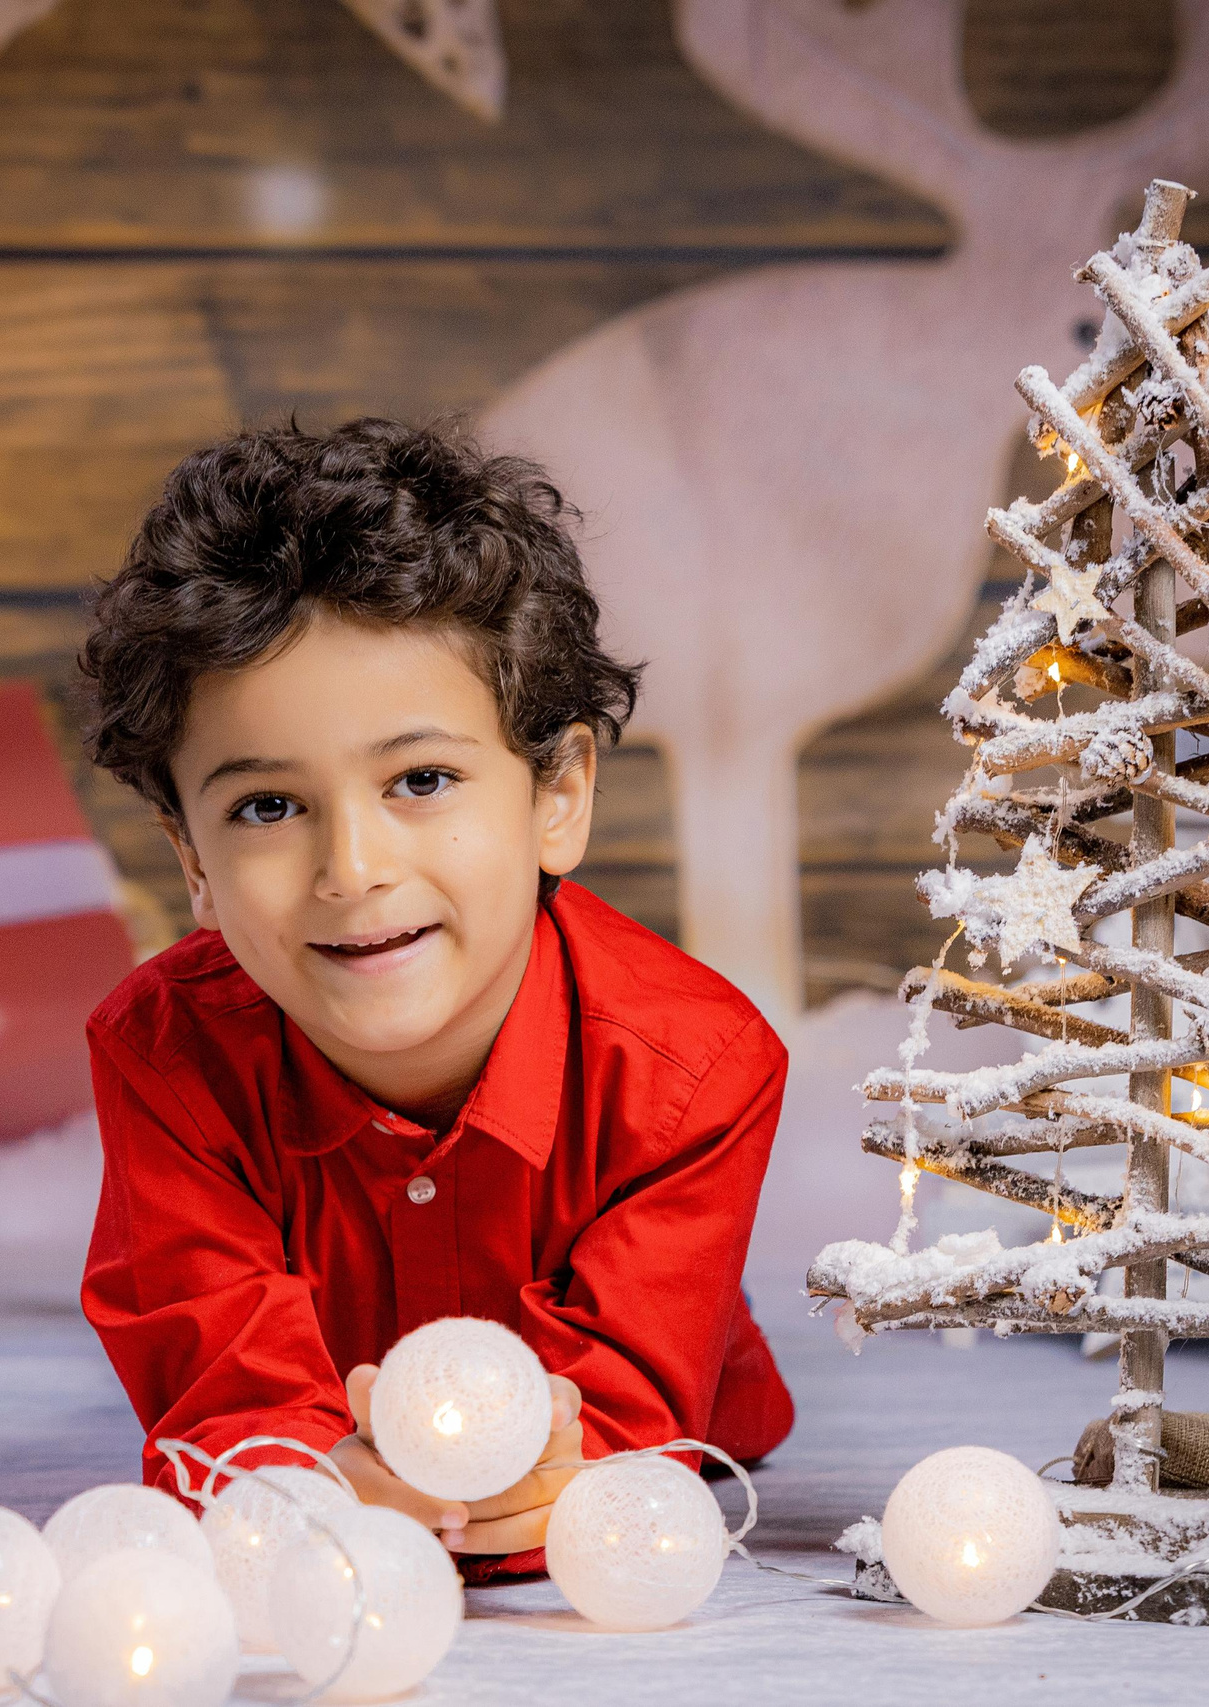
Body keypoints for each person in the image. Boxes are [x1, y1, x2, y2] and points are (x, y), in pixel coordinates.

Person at [75, 416, 794, 1578]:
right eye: (266, 805)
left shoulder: (697, 1070)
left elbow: (622, 1436)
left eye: (420, 780)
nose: (351, 869)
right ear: (191, 860)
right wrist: (306, 1488)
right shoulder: (164, 1057)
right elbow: (221, 1407)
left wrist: (515, 1495)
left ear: (556, 794)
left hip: (671, 1462)